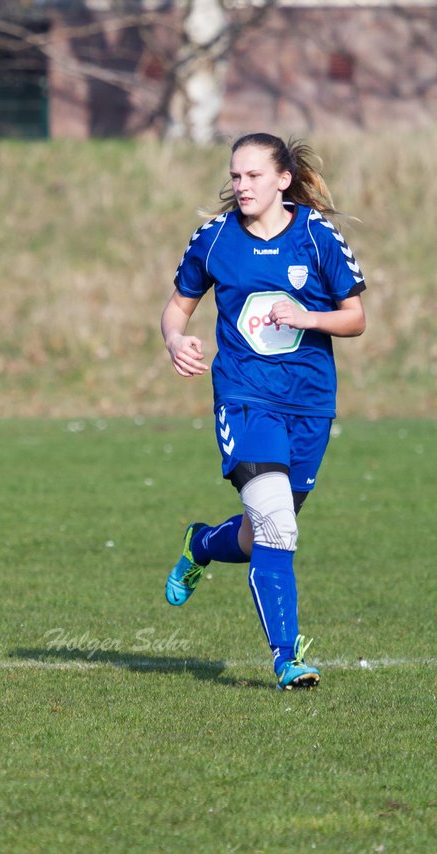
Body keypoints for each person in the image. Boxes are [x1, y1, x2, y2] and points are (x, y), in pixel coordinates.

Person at [160, 133, 367, 689]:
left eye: (252, 176)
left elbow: (355, 318)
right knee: (277, 527)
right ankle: (286, 658)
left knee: (266, 532)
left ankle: (200, 543)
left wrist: (308, 319)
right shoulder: (214, 239)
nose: (241, 186)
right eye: (235, 176)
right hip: (246, 398)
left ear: (282, 180)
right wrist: (175, 340)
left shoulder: (318, 238)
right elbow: (176, 309)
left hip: (310, 403)